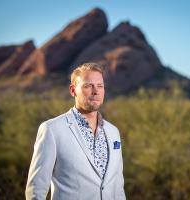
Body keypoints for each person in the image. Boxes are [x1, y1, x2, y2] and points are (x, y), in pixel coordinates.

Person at [25, 63, 126, 200]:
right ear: (73, 90)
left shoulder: (113, 132)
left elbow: (118, 186)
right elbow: (36, 189)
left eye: (100, 86)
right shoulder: (52, 129)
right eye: (88, 86)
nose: (95, 91)